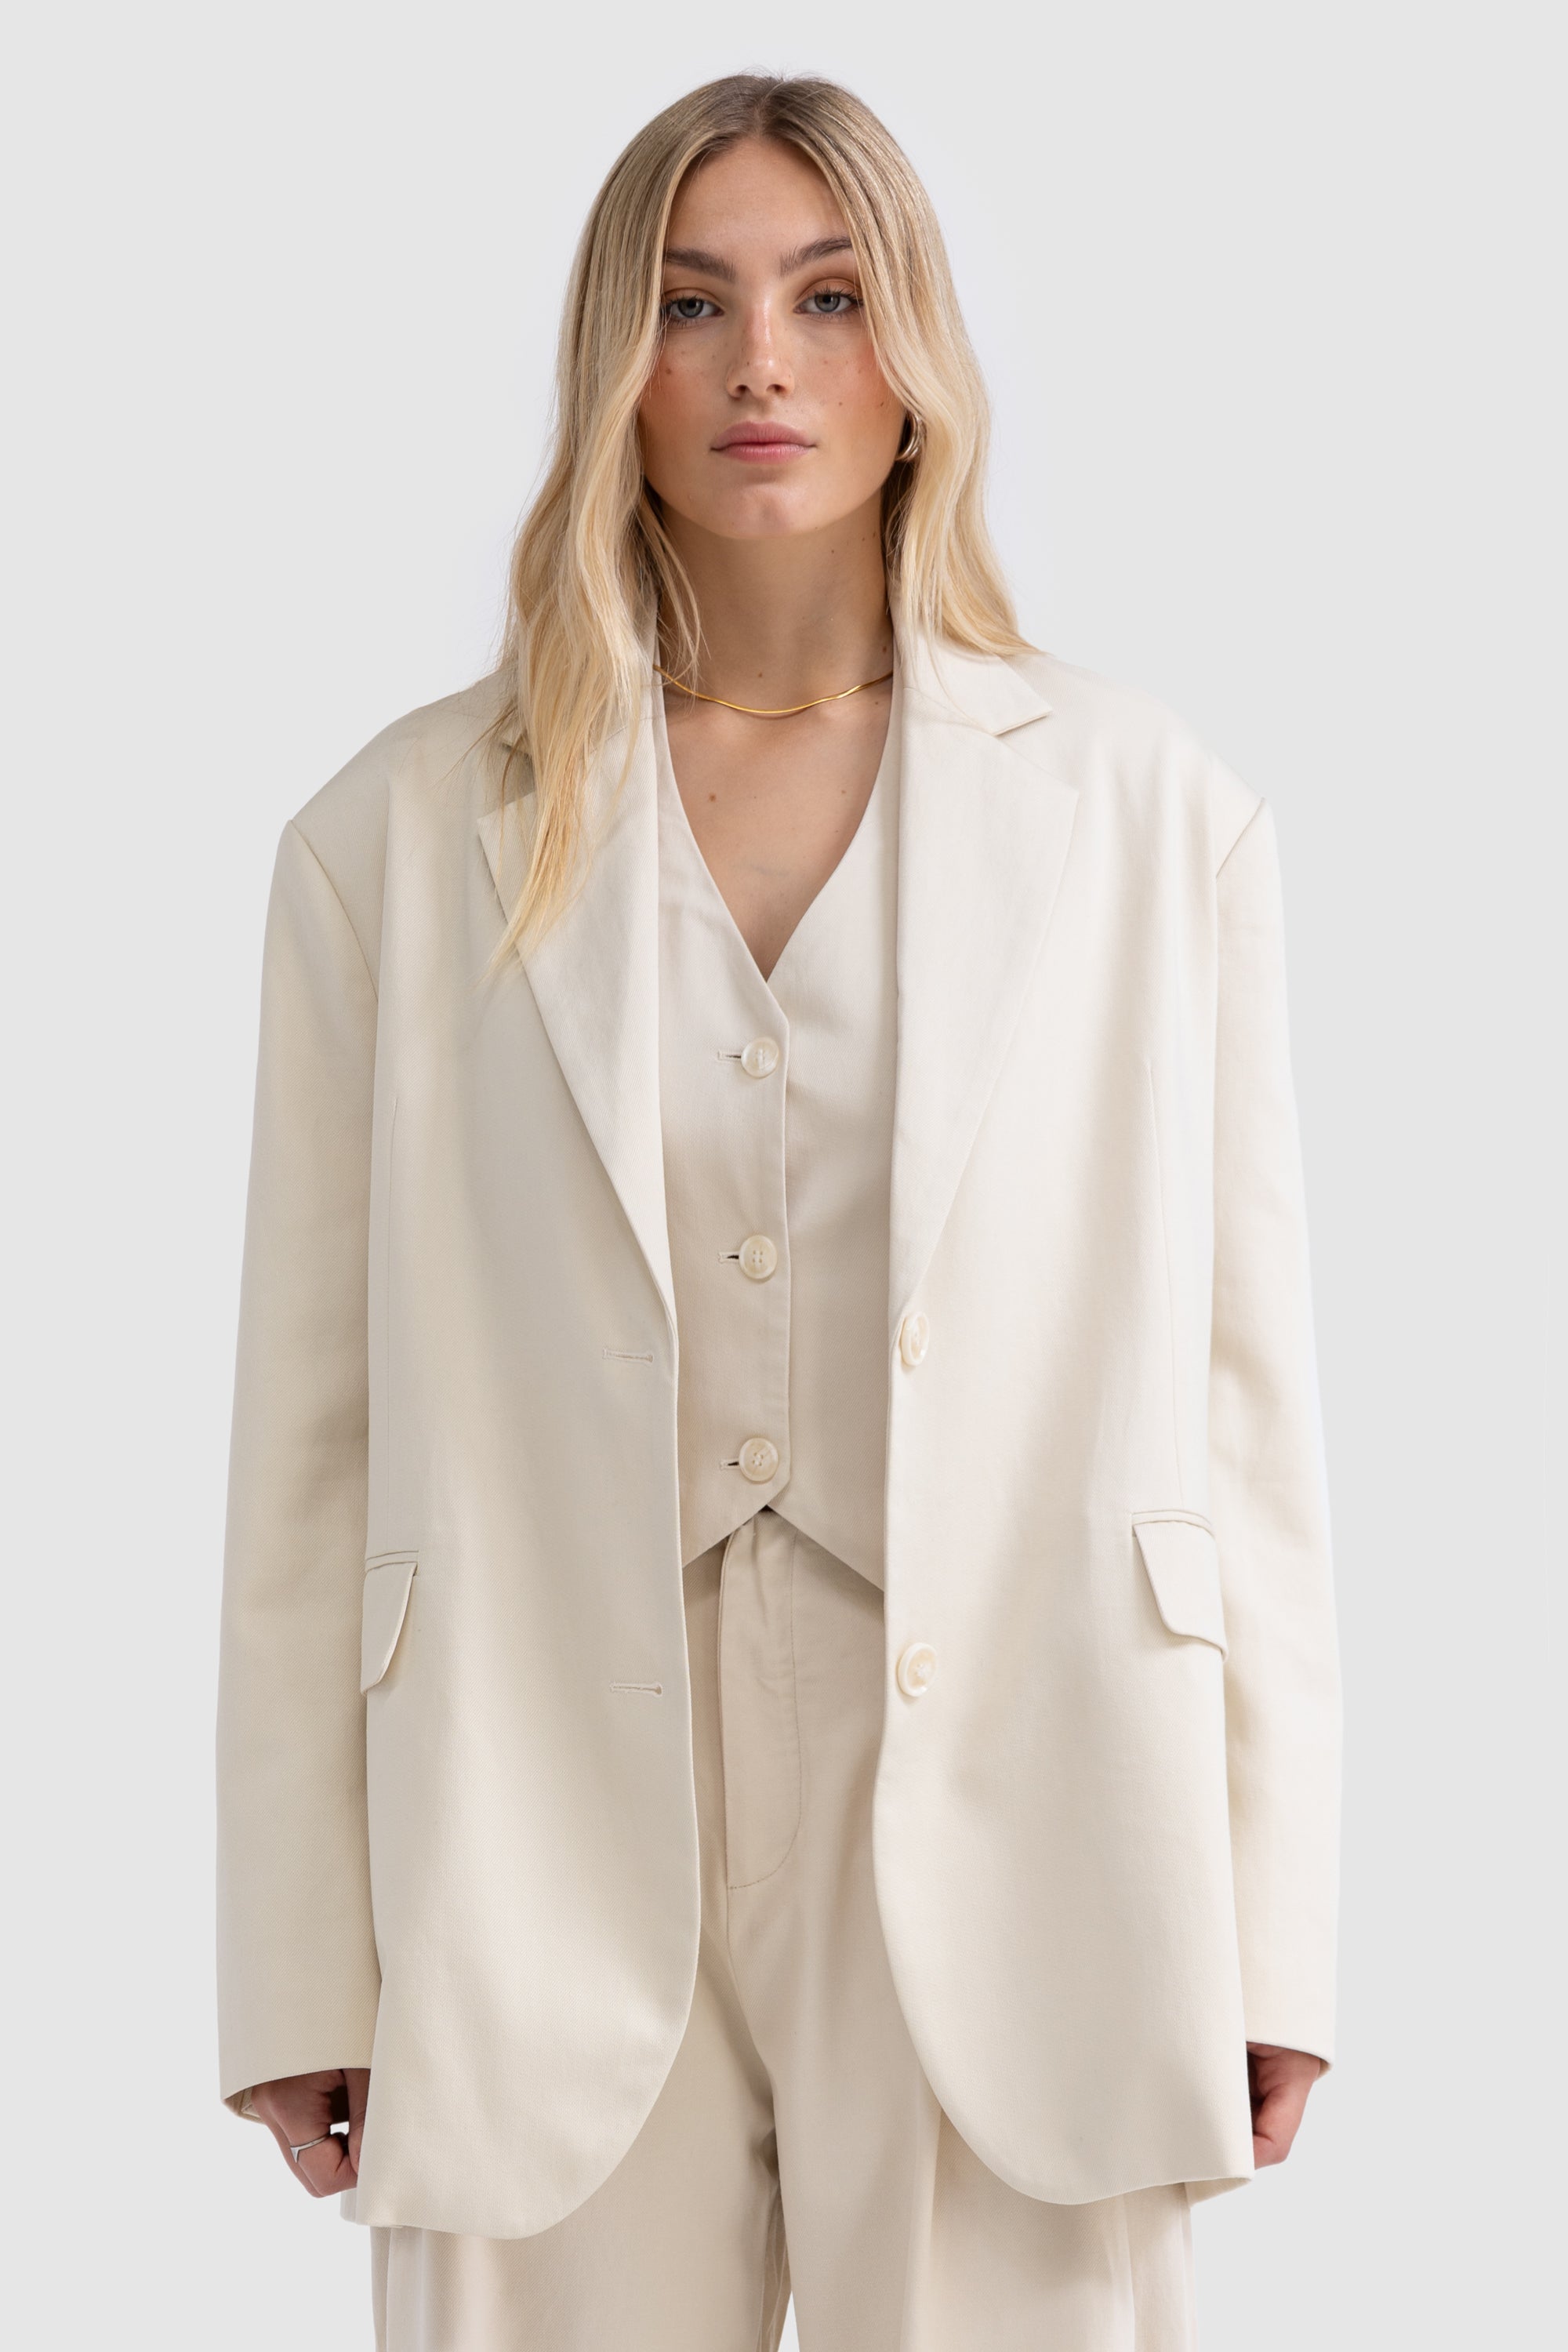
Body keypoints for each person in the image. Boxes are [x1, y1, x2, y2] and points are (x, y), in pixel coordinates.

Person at [216, 71, 1338, 2352]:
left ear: (917, 353)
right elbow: (307, 1444)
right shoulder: (393, 837)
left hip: (1029, 1775)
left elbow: (1247, 1408)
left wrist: (1272, 1914)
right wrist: (294, 1958)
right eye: (690, 302)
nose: (762, 364)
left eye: (830, 298)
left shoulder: (1149, 814)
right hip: (532, 1791)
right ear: (609, 363)